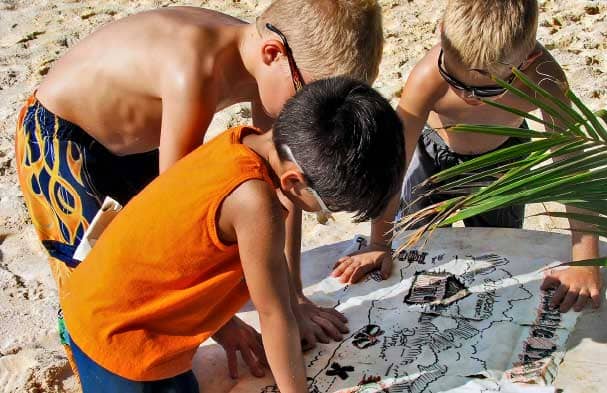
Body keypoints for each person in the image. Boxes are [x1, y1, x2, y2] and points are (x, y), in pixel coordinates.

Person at [15, 0, 383, 376]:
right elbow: (175, 221)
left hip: (136, 140)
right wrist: (223, 326)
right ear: (274, 54)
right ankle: (91, 370)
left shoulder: (272, 62)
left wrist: (295, 299)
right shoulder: (194, 72)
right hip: (61, 140)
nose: (314, 116)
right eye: (311, 95)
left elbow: (285, 184)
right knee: (94, 273)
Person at [60, 77, 405, 392]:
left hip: (114, 302)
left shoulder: (242, 142)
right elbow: (274, 316)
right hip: (116, 336)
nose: (323, 211)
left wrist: (224, 324)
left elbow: (178, 253)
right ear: (294, 182)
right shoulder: (255, 204)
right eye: (326, 206)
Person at [333, 0, 602, 314]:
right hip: (433, 159)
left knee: (499, 255)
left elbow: (571, 166)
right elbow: (395, 161)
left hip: (501, 161)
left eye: (488, 91)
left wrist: (586, 260)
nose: (468, 96)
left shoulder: (545, 78)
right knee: (417, 254)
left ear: (528, 59)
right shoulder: (428, 76)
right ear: (442, 33)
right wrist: (379, 243)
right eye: (455, 81)